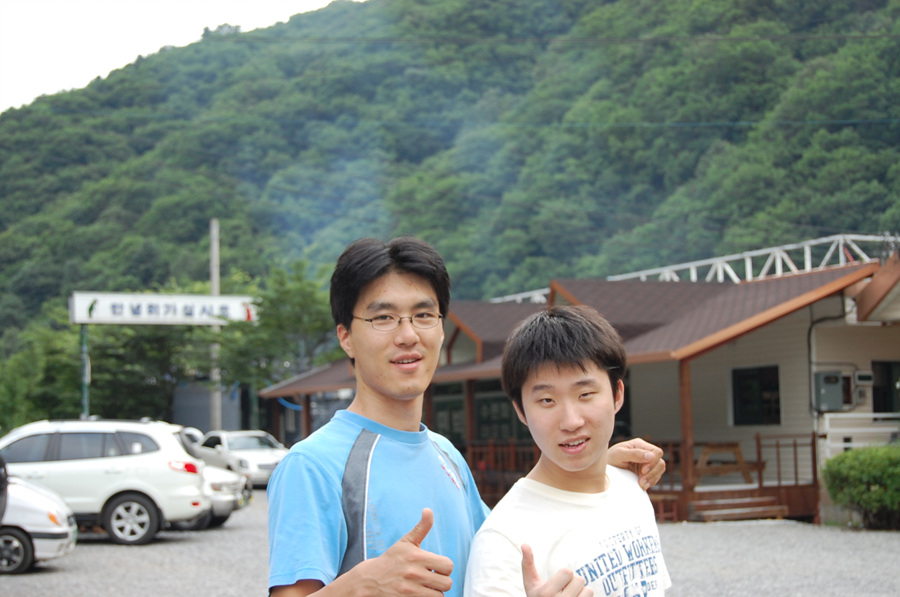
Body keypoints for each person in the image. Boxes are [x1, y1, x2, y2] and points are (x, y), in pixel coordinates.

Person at [267, 237, 666, 597]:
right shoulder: (313, 466)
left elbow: (506, 541)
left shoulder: (444, 454)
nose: (408, 335)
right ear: (346, 337)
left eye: (424, 315)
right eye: (383, 318)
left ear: (442, 329)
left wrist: (594, 466)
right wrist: (361, 586)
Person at [464, 305, 671, 597]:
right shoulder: (503, 542)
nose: (571, 421)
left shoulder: (631, 488)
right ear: (521, 411)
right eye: (547, 401)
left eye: (585, 394)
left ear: (617, 395)